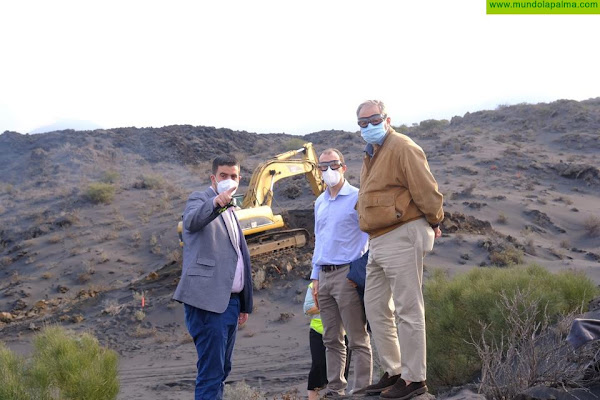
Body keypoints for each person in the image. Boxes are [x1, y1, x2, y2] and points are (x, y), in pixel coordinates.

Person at [355, 100, 444, 400]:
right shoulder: (371, 154)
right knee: (376, 307)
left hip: (402, 234)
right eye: (362, 123)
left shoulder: (402, 146)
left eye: (373, 119)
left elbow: (426, 189)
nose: (368, 126)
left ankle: (414, 379)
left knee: (408, 308)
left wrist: (435, 220)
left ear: (387, 118)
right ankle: (393, 371)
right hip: (378, 240)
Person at [173, 155, 253, 400]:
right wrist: (217, 201)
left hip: (230, 302)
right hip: (208, 301)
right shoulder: (201, 199)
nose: (229, 181)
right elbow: (192, 221)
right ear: (213, 178)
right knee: (211, 372)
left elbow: (238, 256)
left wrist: (244, 303)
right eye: (223, 176)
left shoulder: (232, 210)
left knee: (222, 369)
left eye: (233, 176)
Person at [311, 148, 372, 397]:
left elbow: (371, 234)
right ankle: (336, 388)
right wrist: (315, 277)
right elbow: (319, 240)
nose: (328, 171)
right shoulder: (319, 201)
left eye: (333, 165)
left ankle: (362, 390)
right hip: (324, 275)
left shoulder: (357, 197)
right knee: (331, 338)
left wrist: (359, 270)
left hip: (348, 274)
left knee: (358, 338)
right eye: (322, 167)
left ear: (343, 167)